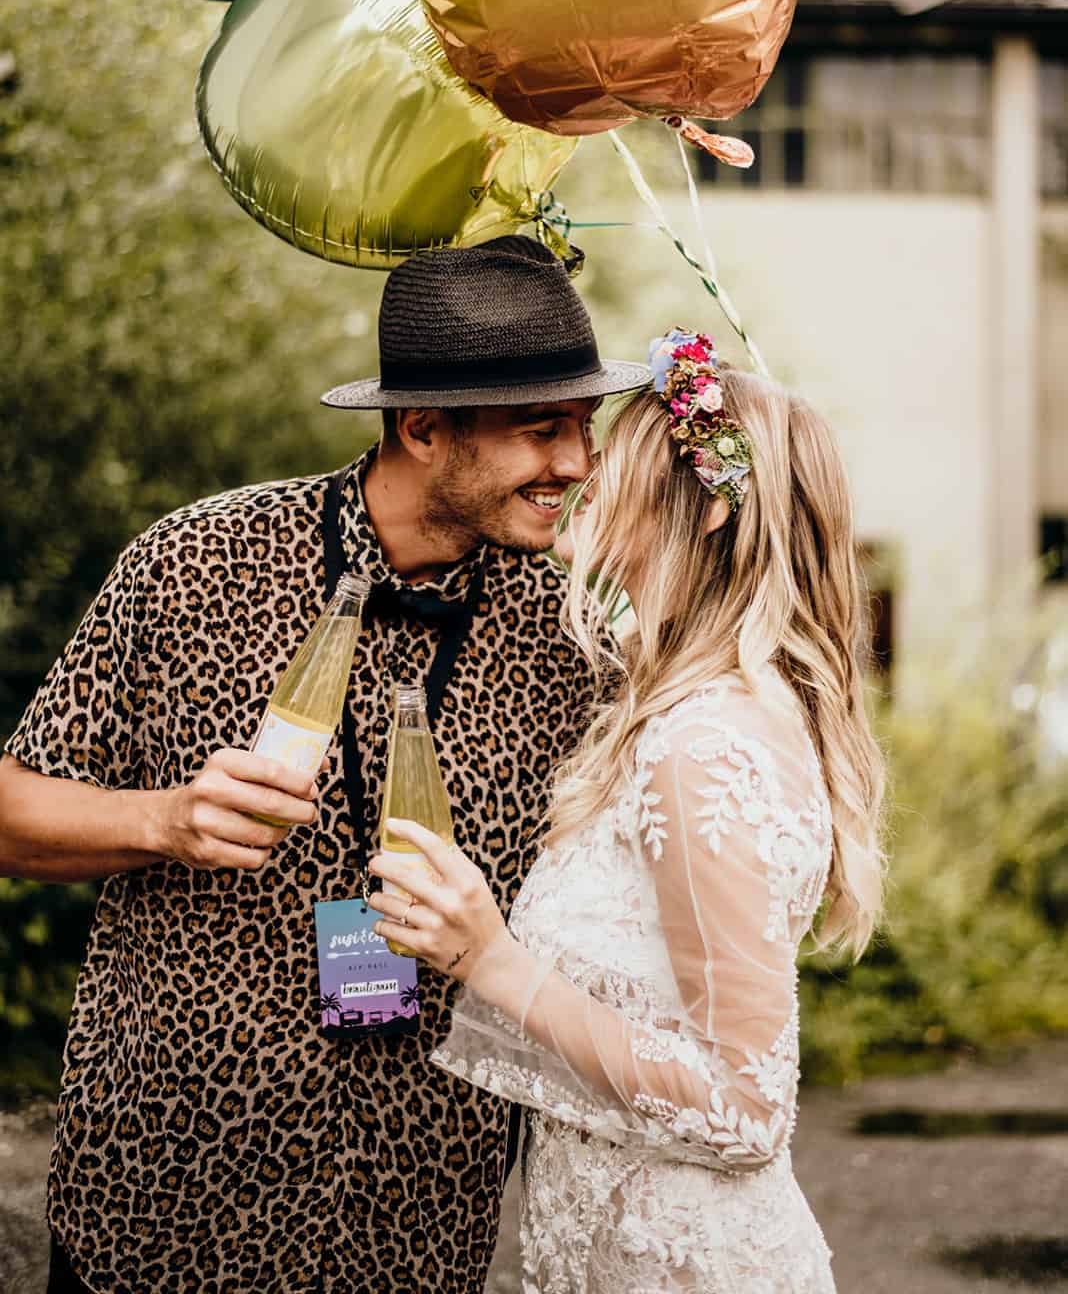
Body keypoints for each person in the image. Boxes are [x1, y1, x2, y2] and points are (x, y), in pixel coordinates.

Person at [0, 236, 651, 1294]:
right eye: (542, 429)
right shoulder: (194, 562)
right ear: (423, 428)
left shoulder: (574, 635)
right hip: (162, 1203)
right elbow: (10, 812)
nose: (576, 464)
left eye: (584, 426)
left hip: (417, 1225)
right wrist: (163, 821)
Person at [368, 327, 887, 1294]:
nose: (588, 473)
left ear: (708, 510)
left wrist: (490, 959)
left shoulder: (707, 744)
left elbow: (745, 1111)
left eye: (623, 459)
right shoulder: (680, 714)